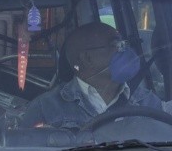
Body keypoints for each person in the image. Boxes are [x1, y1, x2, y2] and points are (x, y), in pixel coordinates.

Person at [19, 22, 162, 131]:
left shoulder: (148, 103)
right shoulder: (45, 109)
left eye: (123, 44)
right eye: (116, 45)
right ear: (87, 58)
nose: (125, 50)